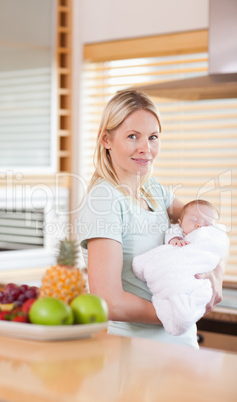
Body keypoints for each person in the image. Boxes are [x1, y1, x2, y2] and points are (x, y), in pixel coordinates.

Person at [78, 90, 225, 349]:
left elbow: (208, 229)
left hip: (182, 347)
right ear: (106, 139)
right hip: (136, 352)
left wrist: (216, 274)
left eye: (153, 137)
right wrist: (177, 314)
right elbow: (109, 302)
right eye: (133, 136)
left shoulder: (152, 189)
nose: (146, 149)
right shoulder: (103, 199)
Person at [132, 200, 229, 336]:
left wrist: (217, 273)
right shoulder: (177, 232)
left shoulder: (211, 236)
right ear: (180, 222)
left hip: (196, 274)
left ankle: (183, 312)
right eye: (194, 219)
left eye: (207, 223)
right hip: (173, 270)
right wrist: (176, 239)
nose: (199, 224)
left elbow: (221, 244)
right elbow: (171, 237)